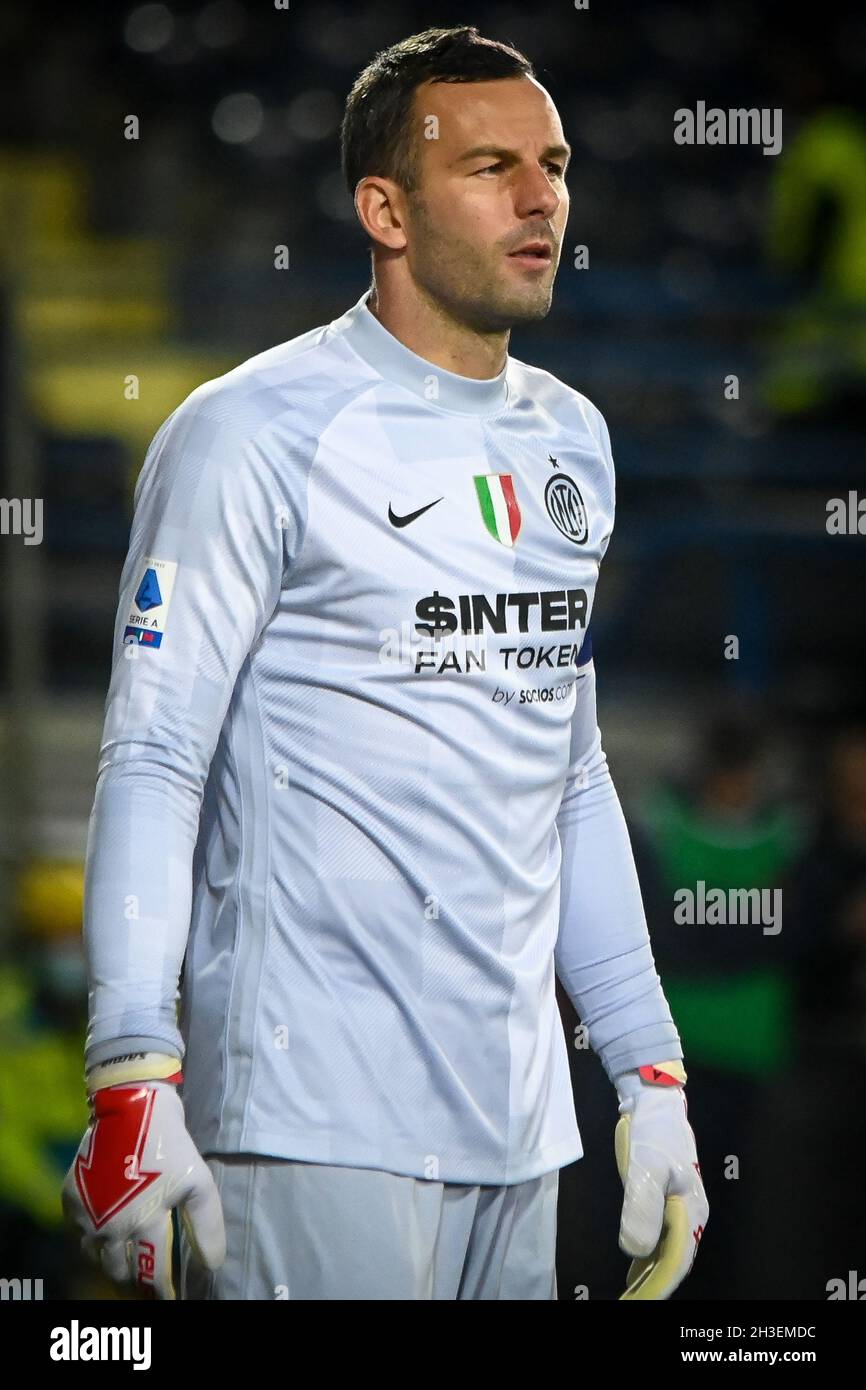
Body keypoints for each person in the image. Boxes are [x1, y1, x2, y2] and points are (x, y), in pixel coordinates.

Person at [62, 25, 707, 1301]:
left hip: (523, 1136)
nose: (541, 200)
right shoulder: (249, 432)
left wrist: (647, 1075)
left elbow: (565, 773)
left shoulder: (572, 437)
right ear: (385, 209)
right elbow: (153, 753)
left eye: (554, 162)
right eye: (488, 166)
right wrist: (133, 1073)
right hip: (308, 1122)